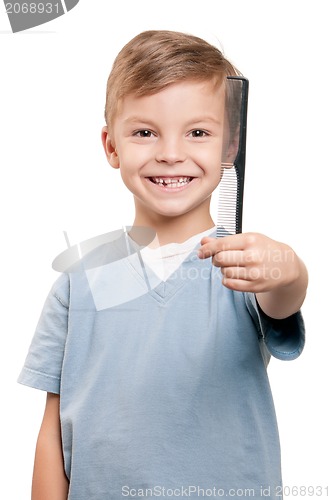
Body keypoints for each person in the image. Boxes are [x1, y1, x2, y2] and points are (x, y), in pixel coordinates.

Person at [18, 30, 308, 500]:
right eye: (145, 132)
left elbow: (283, 295)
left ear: (230, 148)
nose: (171, 153)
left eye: (198, 132)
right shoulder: (78, 279)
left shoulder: (243, 265)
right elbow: (53, 428)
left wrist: (288, 270)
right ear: (112, 146)